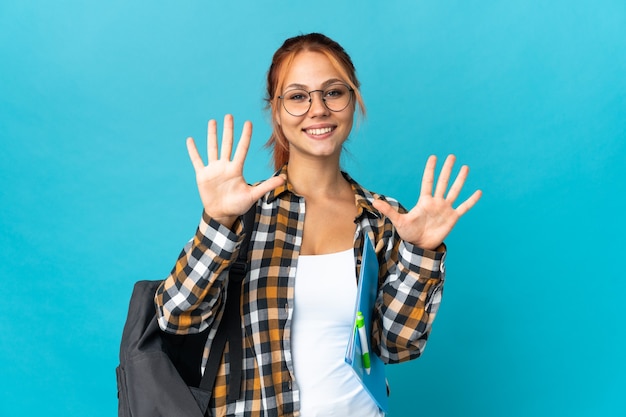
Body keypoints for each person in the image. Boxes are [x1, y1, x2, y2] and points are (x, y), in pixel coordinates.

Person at [155, 32, 481, 417]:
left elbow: (397, 346)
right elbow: (176, 317)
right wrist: (218, 222)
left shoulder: (384, 219)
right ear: (275, 112)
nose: (318, 109)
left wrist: (421, 253)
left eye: (333, 92)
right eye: (297, 96)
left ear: (353, 100)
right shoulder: (243, 211)